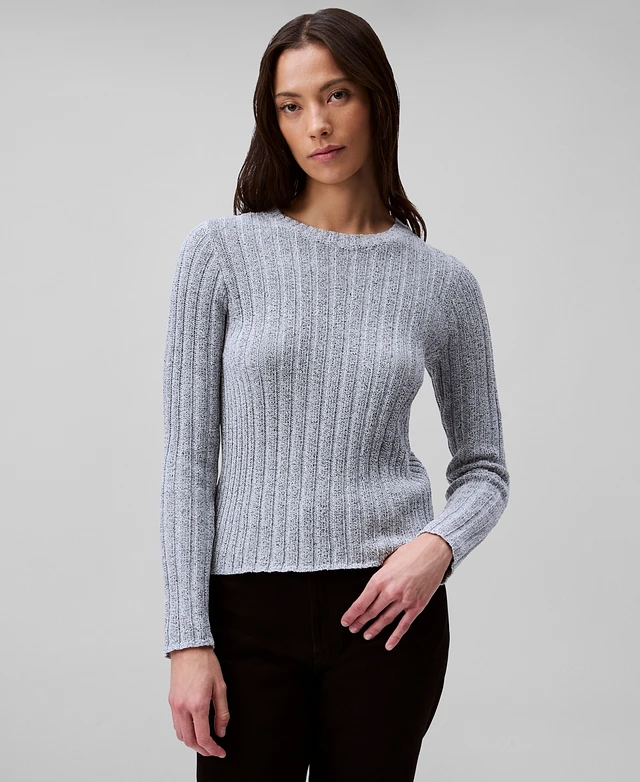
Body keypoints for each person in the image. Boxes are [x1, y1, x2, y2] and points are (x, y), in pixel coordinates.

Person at [159, 8, 510, 781]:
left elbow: (484, 469)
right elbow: (187, 465)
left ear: (378, 99)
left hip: (389, 615)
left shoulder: (441, 283)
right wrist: (187, 639)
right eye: (291, 106)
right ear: (274, 122)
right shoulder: (221, 254)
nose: (316, 124)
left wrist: (437, 548)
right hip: (245, 616)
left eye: (336, 94)